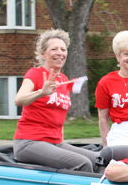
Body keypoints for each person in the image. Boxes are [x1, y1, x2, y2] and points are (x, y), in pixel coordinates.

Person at [13, 29, 98, 172]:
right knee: (82, 163)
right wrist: (41, 92)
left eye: (63, 49)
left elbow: (57, 116)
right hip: (29, 142)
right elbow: (18, 100)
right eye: (54, 49)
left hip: (55, 143)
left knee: (98, 160)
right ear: (43, 54)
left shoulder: (63, 79)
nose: (60, 53)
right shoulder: (36, 73)